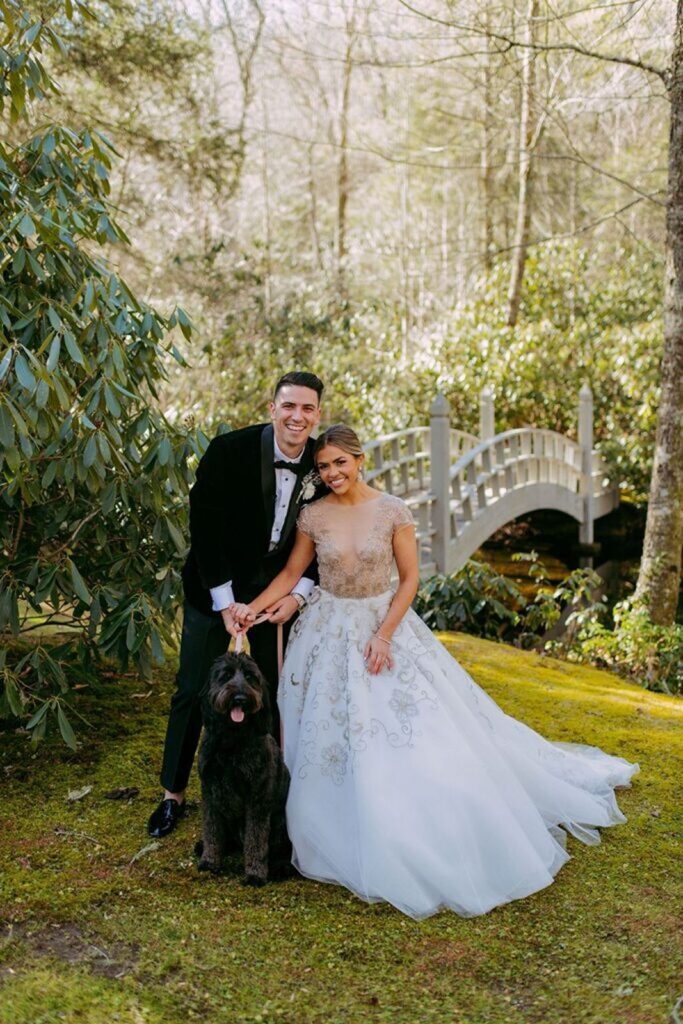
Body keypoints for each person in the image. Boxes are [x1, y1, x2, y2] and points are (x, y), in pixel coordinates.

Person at [230, 423, 639, 920]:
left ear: (359, 460)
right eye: (323, 466)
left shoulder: (393, 510)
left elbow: (410, 579)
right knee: (325, 729)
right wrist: (251, 608)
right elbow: (293, 575)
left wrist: (382, 635)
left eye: (341, 462)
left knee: (405, 728)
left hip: (383, 626)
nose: (332, 472)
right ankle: (324, 823)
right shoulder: (313, 516)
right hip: (326, 630)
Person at [147, 371, 325, 839]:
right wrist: (225, 603)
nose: (297, 416)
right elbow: (205, 530)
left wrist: (297, 596)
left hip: (273, 601)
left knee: (266, 699)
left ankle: (265, 800)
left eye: (307, 408)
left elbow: (328, 539)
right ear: (272, 409)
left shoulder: (324, 462)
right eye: (289, 406)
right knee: (192, 691)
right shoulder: (228, 451)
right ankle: (173, 795)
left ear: (318, 414)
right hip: (214, 590)